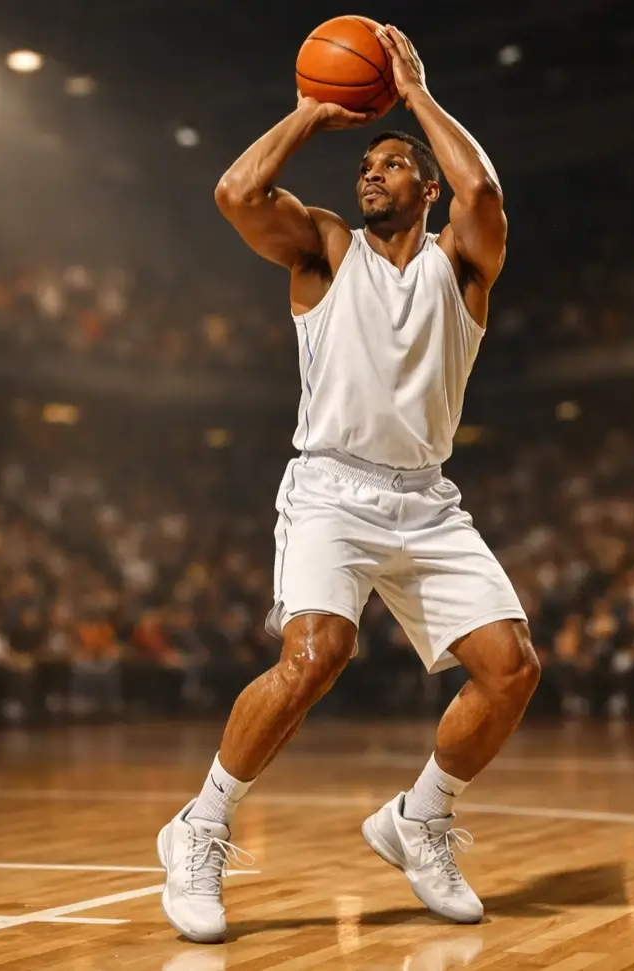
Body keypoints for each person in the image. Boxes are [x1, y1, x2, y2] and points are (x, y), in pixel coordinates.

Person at [156, 24, 539, 943]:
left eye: (392, 165)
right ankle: (199, 826)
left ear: (426, 186)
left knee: (511, 669)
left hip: (425, 497)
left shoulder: (462, 263)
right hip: (330, 486)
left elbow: (482, 188)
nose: (370, 174)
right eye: (362, 165)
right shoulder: (325, 249)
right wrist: (305, 114)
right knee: (316, 653)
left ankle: (419, 818)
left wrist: (412, 95)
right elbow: (235, 192)